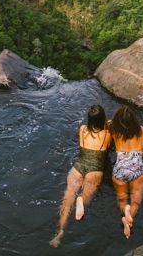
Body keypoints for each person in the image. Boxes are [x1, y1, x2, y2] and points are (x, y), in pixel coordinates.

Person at [49, 104, 112, 248]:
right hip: (94, 170)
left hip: (78, 167)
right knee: (85, 197)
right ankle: (81, 200)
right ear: (103, 119)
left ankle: (59, 232)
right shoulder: (107, 135)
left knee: (67, 199)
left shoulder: (82, 129)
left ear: (89, 120)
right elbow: (109, 140)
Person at [110, 105, 143, 239]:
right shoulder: (142, 130)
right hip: (137, 169)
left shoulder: (114, 132)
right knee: (136, 201)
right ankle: (128, 219)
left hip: (119, 170)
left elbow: (108, 124)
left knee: (122, 198)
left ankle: (124, 213)